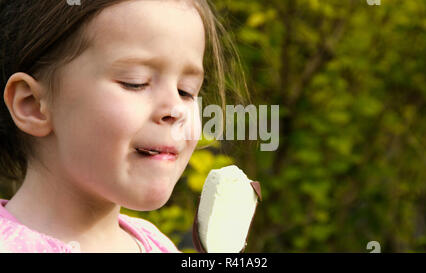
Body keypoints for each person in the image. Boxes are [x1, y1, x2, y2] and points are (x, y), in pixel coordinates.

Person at [0, 0, 248, 253]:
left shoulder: (157, 245)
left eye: (186, 91)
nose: (176, 109)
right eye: (135, 82)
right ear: (31, 105)